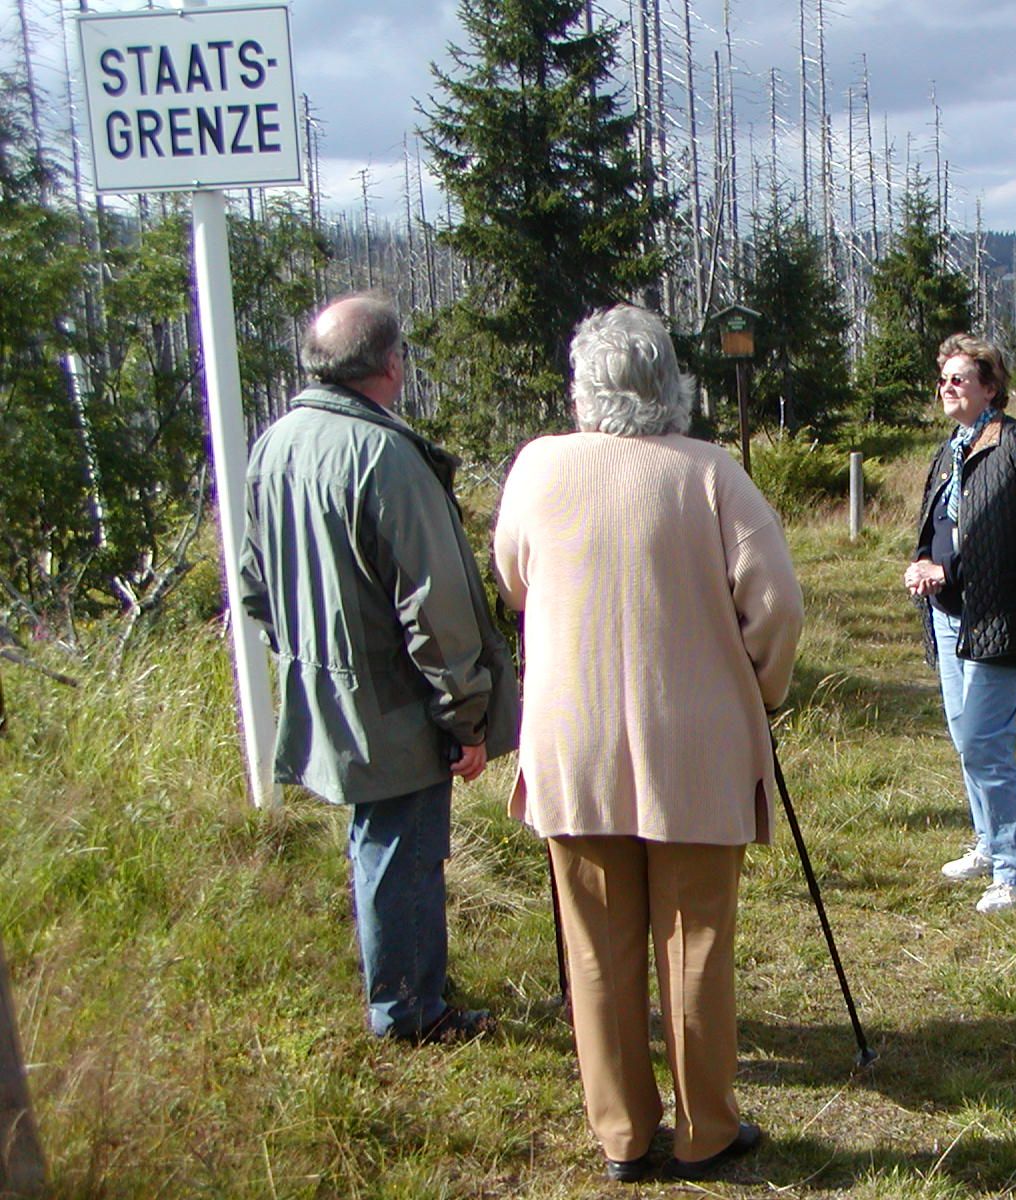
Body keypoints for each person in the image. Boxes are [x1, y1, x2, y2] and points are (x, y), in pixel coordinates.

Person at [492, 304, 803, 1183]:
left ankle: (624, 1135)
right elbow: (776, 604)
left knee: (596, 944)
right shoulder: (712, 473)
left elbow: (514, 580)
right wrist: (760, 689)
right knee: (694, 941)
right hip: (696, 742)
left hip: (574, 744)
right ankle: (707, 1132)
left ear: (585, 388)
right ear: (672, 383)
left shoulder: (538, 467)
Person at [240, 292, 519, 1045]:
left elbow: (252, 584)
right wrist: (466, 714)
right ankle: (409, 1013)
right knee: (403, 848)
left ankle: (410, 985)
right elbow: (435, 606)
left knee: (384, 842)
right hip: (394, 700)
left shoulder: (276, 442)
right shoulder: (384, 455)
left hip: (328, 686)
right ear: (392, 364)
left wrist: (304, 658)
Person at [904, 333, 1016, 915]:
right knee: (964, 737)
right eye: (943, 378)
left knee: (984, 740)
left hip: (1001, 615)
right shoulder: (952, 445)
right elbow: (940, 526)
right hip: (952, 616)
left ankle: (1013, 871)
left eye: (959, 378)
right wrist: (924, 565)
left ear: (991, 387)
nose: (947, 387)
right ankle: (987, 842)